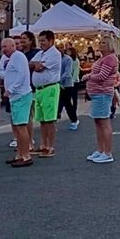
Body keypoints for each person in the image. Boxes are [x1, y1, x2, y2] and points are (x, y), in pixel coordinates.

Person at [81, 35, 118, 164]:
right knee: (98, 122)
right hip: (97, 94)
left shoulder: (110, 59)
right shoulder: (103, 58)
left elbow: (102, 76)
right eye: (100, 42)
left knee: (104, 122)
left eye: (103, 43)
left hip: (102, 93)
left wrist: (88, 77)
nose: (100, 45)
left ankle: (107, 152)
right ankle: (100, 150)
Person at [0, 38, 33, 168]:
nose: (3, 49)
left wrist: (11, 90)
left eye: (5, 46)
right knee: (17, 127)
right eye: (2, 47)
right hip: (16, 97)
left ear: (13, 46)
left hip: (21, 95)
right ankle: (20, 154)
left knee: (21, 126)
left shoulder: (18, 57)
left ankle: (26, 155)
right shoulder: (12, 58)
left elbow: (22, 75)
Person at [29, 30, 61, 158]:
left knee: (50, 119)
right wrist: (36, 64)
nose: (41, 43)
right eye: (40, 40)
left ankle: (50, 146)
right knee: (42, 120)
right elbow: (31, 64)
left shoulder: (54, 54)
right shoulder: (41, 53)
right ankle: (43, 145)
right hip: (39, 90)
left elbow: (39, 67)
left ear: (51, 41)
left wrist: (36, 65)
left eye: (43, 40)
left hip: (49, 88)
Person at [20, 31, 40, 150]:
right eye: (21, 39)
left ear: (31, 40)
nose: (22, 41)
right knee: (22, 117)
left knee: (28, 116)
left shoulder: (36, 53)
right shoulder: (19, 53)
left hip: (31, 87)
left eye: (24, 39)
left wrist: (30, 65)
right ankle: (23, 141)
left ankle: (30, 141)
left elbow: (38, 65)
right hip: (21, 87)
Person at [56, 44, 79, 130]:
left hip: (67, 84)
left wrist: (58, 80)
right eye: (57, 48)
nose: (59, 50)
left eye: (60, 48)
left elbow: (67, 73)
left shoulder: (67, 59)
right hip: (56, 84)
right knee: (57, 103)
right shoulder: (55, 59)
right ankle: (53, 122)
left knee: (67, 103)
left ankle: (74, 120)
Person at [68, 47, 80, 118]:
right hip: (68, 82)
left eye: (69, 51)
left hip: (74, 82)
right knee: (68, 98)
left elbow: (76, 72)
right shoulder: (67, 60)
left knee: (74, 97)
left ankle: (74, 110)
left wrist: (72, 80)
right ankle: (71, 110)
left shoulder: (76, 61)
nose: (67, 53)